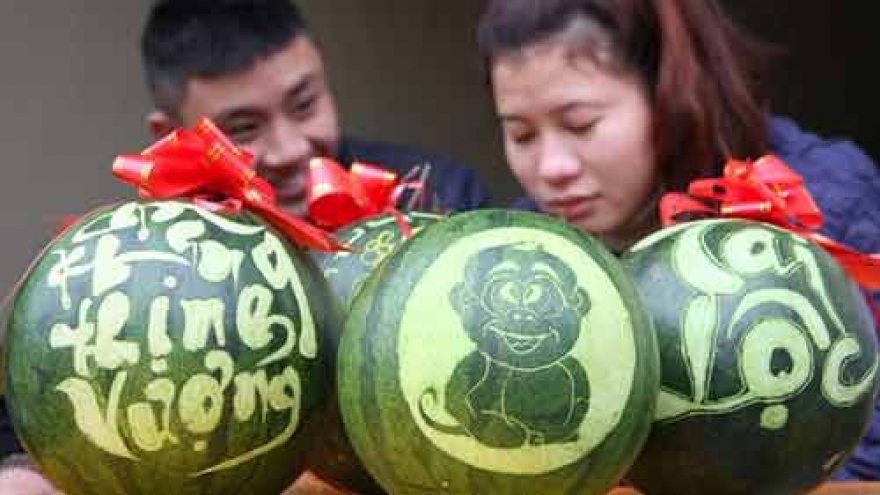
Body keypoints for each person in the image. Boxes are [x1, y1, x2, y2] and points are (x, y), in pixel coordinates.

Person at [477, 0, 880, 482]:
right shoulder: (526, 254)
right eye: (521, 135)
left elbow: (867, 444)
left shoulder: (819, 199)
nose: (551, 168)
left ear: (669, 92)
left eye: (580, 124)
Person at [142, 0, 491, 218]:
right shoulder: (160, 261)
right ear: (171, 138)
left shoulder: (435, 195)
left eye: (304, 105)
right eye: (244, 128)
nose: (291, 150)